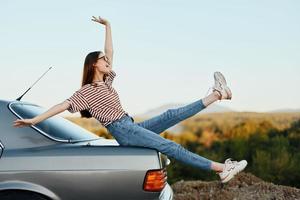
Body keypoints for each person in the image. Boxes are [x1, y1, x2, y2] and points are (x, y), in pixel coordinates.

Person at [13, 16, 247, 183]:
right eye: (103, 60)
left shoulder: (105, 82)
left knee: (170, 115)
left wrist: (108, 26)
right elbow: (62, 105)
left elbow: (111, 52)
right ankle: (221, 169)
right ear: (94, 63)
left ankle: (217, 94)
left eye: (106, 59)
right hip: (122, 130)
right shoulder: (85, 92)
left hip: (129, 124)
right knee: (170, 146)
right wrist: (35, 120)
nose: (108, 61)